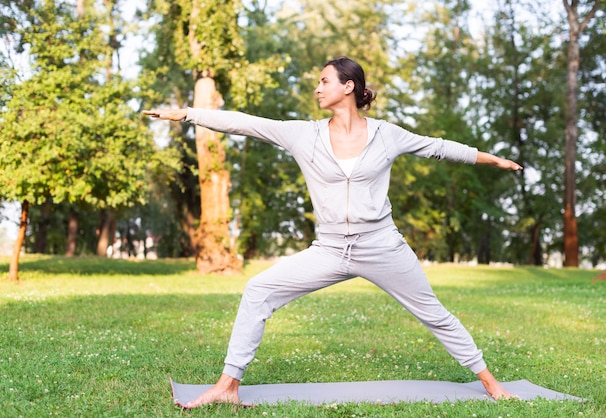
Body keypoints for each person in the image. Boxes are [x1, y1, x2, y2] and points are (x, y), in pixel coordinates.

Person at [143, 57, 522, 407]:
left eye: (325, 81)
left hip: (381, 246)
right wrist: (189, 113)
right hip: (329, 249)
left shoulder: (386, 134)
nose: (317, 88)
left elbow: (437, 148)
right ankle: (227, 387)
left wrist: (493, 160)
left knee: (434, 314)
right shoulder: (302, 135)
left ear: (349, 87)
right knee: (258, 290)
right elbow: (247, 123)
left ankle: (491, 383)